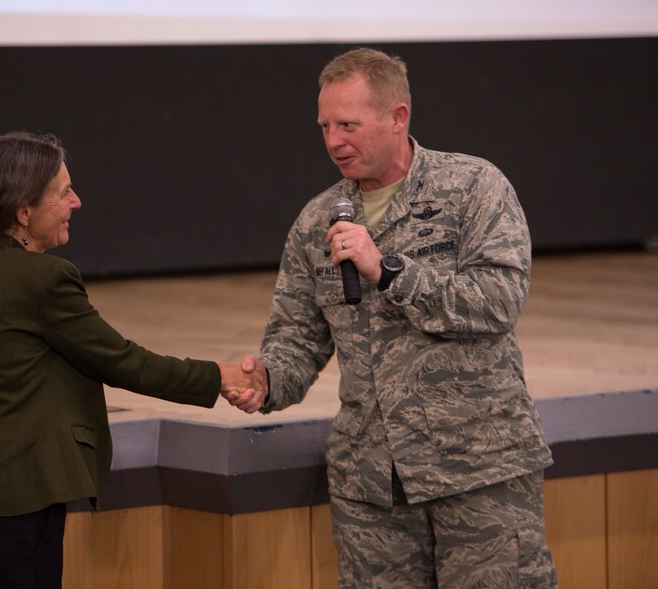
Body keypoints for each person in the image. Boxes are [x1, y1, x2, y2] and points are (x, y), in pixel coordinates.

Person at [238, 47, 557, 587]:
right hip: (374, 489)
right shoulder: (318, 219)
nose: (334, 140)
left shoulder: (473, 187)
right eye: (324, 126)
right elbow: (298, 337)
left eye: (349, 124)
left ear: (398, 117)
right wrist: (267, 381)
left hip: (478, 471)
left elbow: (498, 301)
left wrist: (387, 269)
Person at [0, 131, 265, 589]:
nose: (77, 201)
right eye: (64, 192)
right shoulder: (45, 279)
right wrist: (217, 376)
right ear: (23, 212)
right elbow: (122, 362)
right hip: (17, 517)